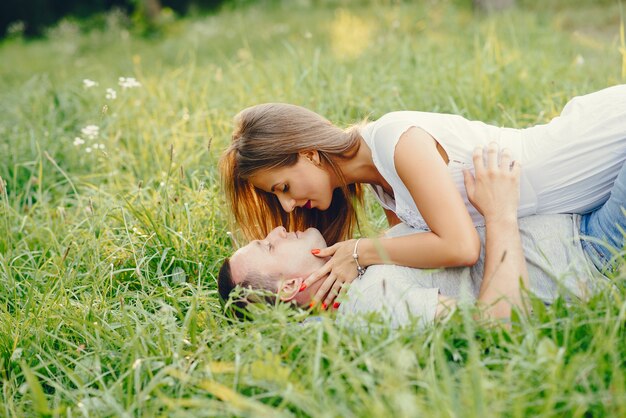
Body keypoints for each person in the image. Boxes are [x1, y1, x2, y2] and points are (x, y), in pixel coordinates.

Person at [220, 85, 626, 307]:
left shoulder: (397, 143)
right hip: (579, 215)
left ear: (307, 154)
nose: (288, 208)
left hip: (590, 156)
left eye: (284, 188)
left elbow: (461, 246)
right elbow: (430, 259)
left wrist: (361, 250)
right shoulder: (382, 186)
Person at [218, 145, 624, 324]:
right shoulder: (369, 303)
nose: (276, 228)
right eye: (268, 245)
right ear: (291, 286)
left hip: (578, 214)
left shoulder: (357, 274)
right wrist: (500, 213)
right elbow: (496, 325)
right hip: (592, 254)